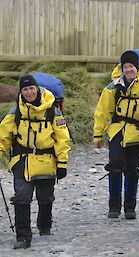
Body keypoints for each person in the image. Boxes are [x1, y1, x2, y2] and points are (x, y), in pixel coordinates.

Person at [0, 75, 70, 249]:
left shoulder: (52, 110)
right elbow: (3, 136)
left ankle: (44, 225)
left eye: (31, 88)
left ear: (37, 89)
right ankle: (23, 237)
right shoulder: (16, 112)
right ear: (21, 92)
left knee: (45, 196)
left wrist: (62, 163)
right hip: (22, 161)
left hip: (47, 160)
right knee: (21, 197)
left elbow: (62, 138)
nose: (29, 92)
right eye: (25, 90)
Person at [94, 50, 139, 219]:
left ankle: (130, 207)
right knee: (114, 167)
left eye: (131, 67)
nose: (129, 70)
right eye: (126, 67)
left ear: (137, 68)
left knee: (131, 169)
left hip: (138, 135)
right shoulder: (113, 88)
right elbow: (102, 112)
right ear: (121, 68)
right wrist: (98, 135)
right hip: (117, 132)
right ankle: (114, 206)